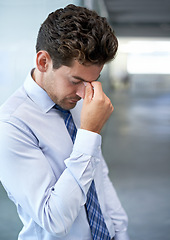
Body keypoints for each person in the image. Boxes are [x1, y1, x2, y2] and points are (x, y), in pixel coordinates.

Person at [0, 4, 129, 240]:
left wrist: (120, 232)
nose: (83, 93)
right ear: (43, 62)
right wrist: (90, 133)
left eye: (92, 81)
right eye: (75, 80)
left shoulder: (79, 102)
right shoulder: (11, 126)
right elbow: (54, 220)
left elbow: (99, 177)